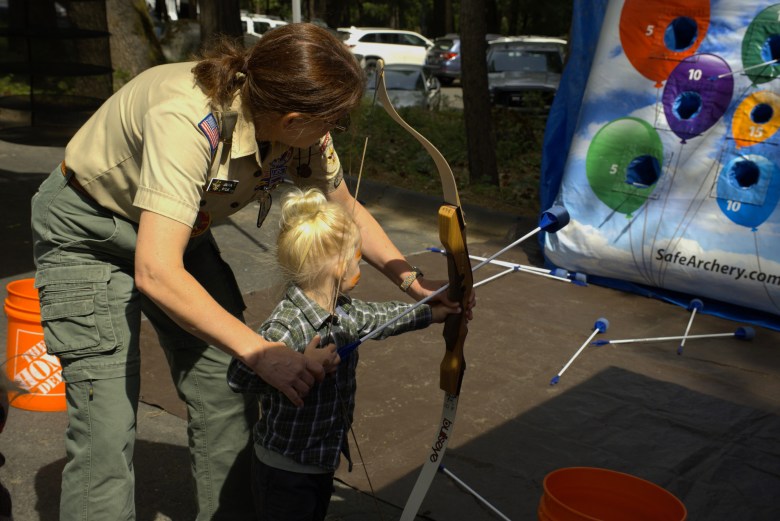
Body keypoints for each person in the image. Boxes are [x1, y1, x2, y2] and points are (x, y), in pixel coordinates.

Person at [30, 23, 455, 521]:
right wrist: (261, 351)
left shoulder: (297, 129)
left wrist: (414, 284)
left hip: (179, 234)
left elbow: (347, 208)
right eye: (330, 123)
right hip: (91, 231)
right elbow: (156, 271)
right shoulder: (188, 121)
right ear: (295, 117)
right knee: (104, 424)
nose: (331, 134)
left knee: (225, 392)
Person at [227, 188, 458, 520]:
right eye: (356, 254)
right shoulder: (285, 327)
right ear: (336, 264)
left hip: (321, 459)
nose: (359, 260)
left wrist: (432, 313)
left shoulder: (343, 310)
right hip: (285, 472)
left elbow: (382, 319)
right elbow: (237, 376)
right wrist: (299, 364)